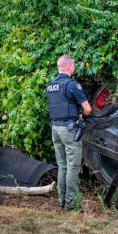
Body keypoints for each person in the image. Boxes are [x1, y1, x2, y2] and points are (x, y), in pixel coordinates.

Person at [45, 55, 91, 211]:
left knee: (62, 166)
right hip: (69, 130)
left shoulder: (50, 85)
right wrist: (82, 117)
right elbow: (87, 109)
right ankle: (72, 205)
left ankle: (62, 201)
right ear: (70, 67)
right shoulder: (72, 85)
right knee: (73, 167)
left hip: (55, 129)